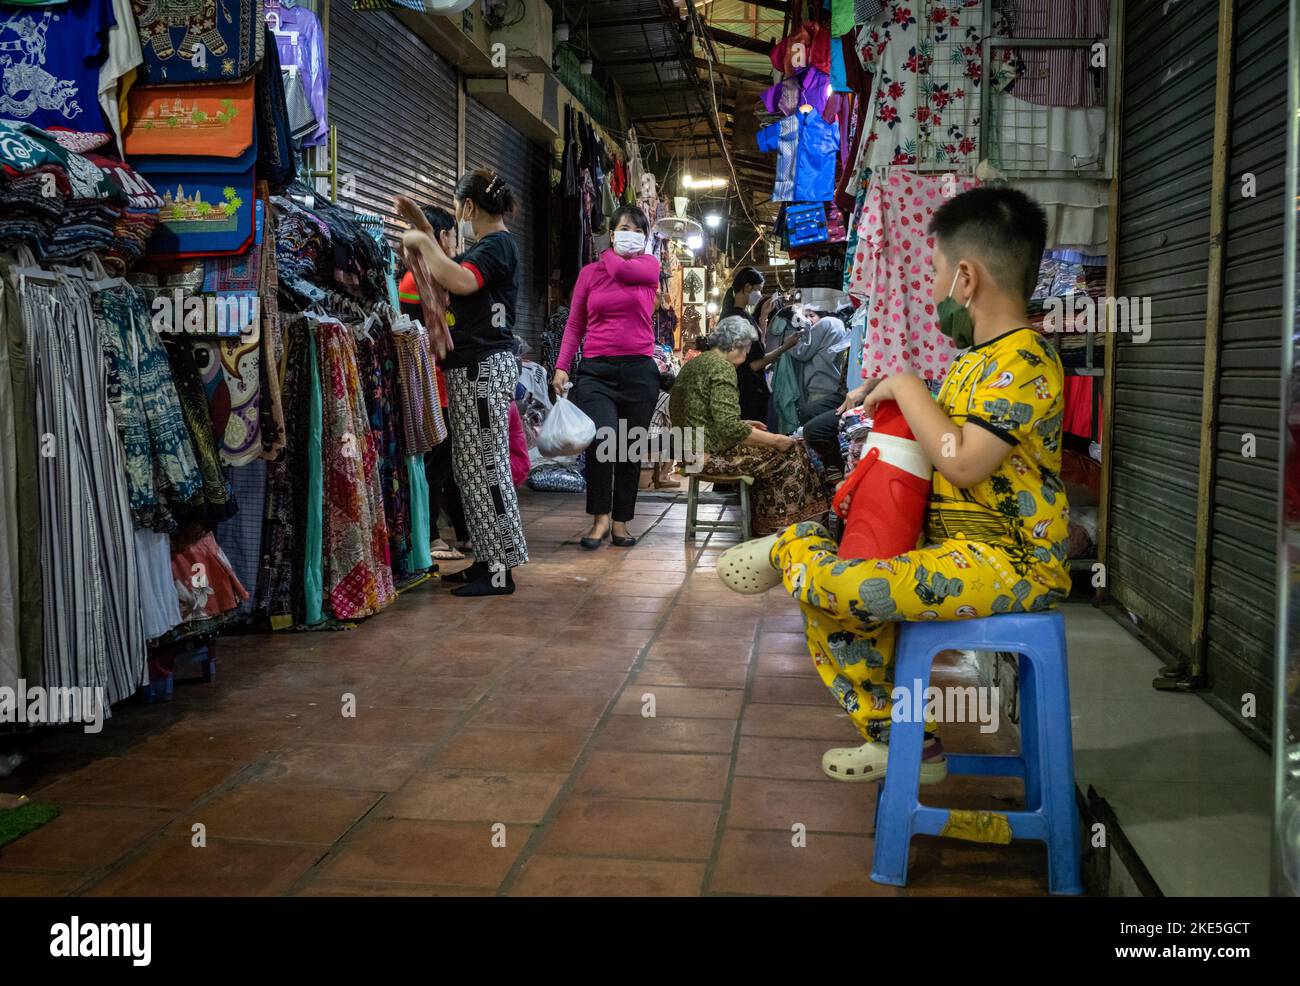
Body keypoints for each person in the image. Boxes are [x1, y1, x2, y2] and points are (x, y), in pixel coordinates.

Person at [770, 185, 1072, 783]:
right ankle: (903, 737)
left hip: (1012, 563)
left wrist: (906, 385)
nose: (933, 287)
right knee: (836, 581)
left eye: (935, 270)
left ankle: (790, 551)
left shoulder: (1026, 360)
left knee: (844, 586)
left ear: (965, 278)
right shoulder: (972, 362)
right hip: (957, 553)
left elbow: (961, 462)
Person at [398, 168, 528, 597]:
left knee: (485, 470)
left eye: (458, 208)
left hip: (483, 368)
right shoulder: (495, 245)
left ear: (469, 207)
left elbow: (461, 279)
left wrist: (421, 242)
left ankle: (499, 571)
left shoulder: (496, 245)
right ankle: (489, 562)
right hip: (474, 368)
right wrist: (424, 234)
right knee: (472, 470)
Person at [552, 204, 661, 550]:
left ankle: (620, 522)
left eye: (636, 229)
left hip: (639, 371)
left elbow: (619, 268)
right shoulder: (588, 274)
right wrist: (562, 365)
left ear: (645, 238)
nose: (629, 234)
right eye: (622, 228)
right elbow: (575, 324)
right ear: (612, 232)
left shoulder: (649, 267)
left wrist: (607, 250)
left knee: (628, 448)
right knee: (602, 440)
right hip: (596, 372)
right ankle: (599, 519)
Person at [669, 315, 830, 534]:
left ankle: (770, 521)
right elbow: (729, 428)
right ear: (734, 345)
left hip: (689, 452)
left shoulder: (697, 363)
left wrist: (743, 423)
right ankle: (781, 527)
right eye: (746, 349)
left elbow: (700, 415)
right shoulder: (722, 368)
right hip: (705, 457)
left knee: (777, 448)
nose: (746, 355)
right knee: (793, 452)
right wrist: (776, 440)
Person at [397, 204, 470, 563]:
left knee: (448, 465)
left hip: (440, 385)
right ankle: (429, 537)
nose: (457, 243)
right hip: (432, 387)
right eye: (453, 235)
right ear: (441, 238)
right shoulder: (419, 280)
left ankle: (460, 532)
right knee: (435, 466)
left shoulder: (427, 275)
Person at [721, 267, 798, 423]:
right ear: (748, 287)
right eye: (758, 290)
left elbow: (758, 348)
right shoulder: (736, 319)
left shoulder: (742, 315)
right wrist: (784, 347)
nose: (760, 295)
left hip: (750, 388)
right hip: (746, 390)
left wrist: (763, 316)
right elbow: (753, 364)